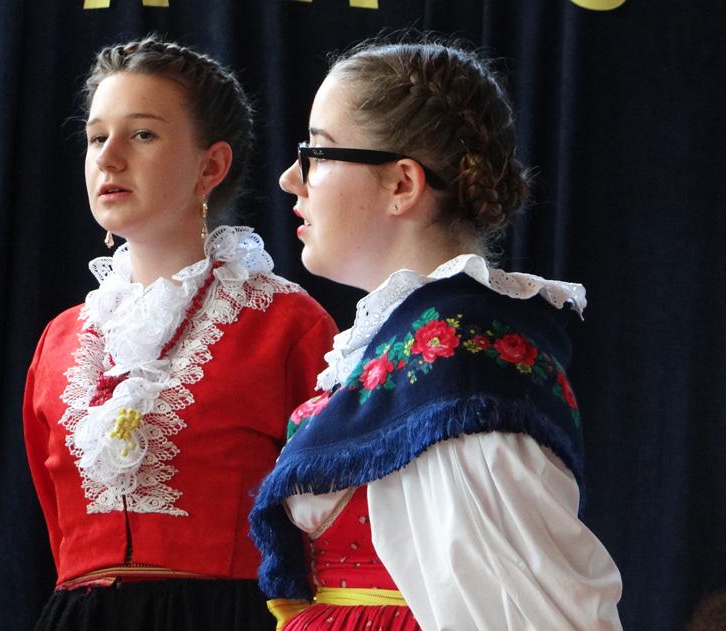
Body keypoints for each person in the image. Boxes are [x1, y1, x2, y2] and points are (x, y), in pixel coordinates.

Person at [249, 39, 623, 630]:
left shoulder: (460, 361)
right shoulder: (418, 343)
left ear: (402, 184)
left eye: (316, 152)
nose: (291, 177)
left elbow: (528, 612)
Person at [23, 36, 337, 631]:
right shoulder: (59, 342)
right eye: (96, 137)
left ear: (210, 165)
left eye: (142, 134)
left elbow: (333, 525)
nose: (109, 158)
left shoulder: (287, 325)